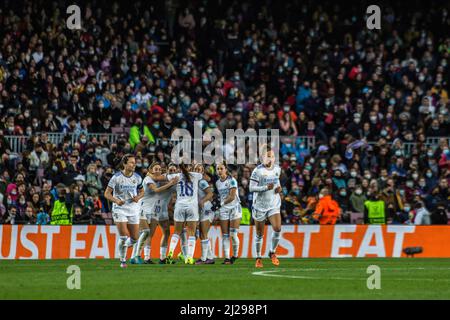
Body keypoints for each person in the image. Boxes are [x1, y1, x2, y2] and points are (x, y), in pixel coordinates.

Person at [130, 162, 178, 264]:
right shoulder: (149, 179)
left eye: (159, 169)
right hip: (143, 208)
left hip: (154, 210)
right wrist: (170, 183)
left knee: (157, 233)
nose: (158, 171)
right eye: (155, 169)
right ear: (151, 170)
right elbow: (156, 190)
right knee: (146, 233)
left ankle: (159, 258)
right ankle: (139, 256)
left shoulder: (162, 180)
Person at [104, 154, 144, 268]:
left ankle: (124, 246)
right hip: (119, 209)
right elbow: (106, 193)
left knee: (135, 238)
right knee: (123, 236)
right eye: (131, 162)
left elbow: (142, 191)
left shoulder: (137, 177)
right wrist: (116, 200)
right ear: (125, 164)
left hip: (133, 209)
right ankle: (122, 260)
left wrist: (138, 197)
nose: (134, 164)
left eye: (134, 162)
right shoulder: (116, 177)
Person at [249, 146, 282, 268]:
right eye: (268, 156)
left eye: (272, 156)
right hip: (260, 206)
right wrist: (264, 188)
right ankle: (258, 257)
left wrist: (279, 188)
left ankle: (272, 252)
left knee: (277, 228)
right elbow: (251, 188)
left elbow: (277, 182)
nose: (271, 159)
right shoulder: (257, 171)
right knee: (259, 233)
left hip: (273, 203)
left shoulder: (277, 169)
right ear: (263, 158)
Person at [165, 163, 203, 265]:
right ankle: (189, 258)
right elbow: (204, 176)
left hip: (180, 206)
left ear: (179, 168)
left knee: (177, 232)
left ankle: (170, 252)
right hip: (192, 207)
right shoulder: (196, 175)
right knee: (191, 233)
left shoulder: (174, 176)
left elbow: (162, 177)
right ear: (189, 167)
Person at [215, 162, 242, 265]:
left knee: (233, 235)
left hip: (234, 207)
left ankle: (235, 255)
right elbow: (221, 196)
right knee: (225, 235)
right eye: (218, 169)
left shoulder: (232, 180)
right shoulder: (217, 183)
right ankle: (227, 258)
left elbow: (231, 196)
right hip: (224, 210)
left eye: (221, 168)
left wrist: (220, 203)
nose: (219, 171)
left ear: (226, 169)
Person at [194, 164, 215, 264]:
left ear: (202, 172)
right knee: (202, 234)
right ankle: (210, 257)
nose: (198, 171)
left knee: (203, 233)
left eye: (200, 169)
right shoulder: (194, 182)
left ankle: (203, 258)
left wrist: (202, 200)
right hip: (200, 210)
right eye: (196, 169)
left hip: (207, 209)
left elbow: (210, 193)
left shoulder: (202, 182)